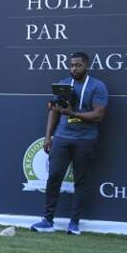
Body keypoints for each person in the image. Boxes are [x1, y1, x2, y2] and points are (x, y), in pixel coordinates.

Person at [31, 52, 108, 235]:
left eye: (78, 65)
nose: (74, 68)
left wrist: (73, 114)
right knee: (54, 177)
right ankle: (48, 221)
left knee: (81, 181)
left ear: (86, 65)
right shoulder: (63, 84)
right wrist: (48, 136)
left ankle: (74, 223)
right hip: (62, 137)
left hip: (85, 139)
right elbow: (55, 112)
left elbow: (98, 115)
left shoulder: (97, 86)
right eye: (71, 65)